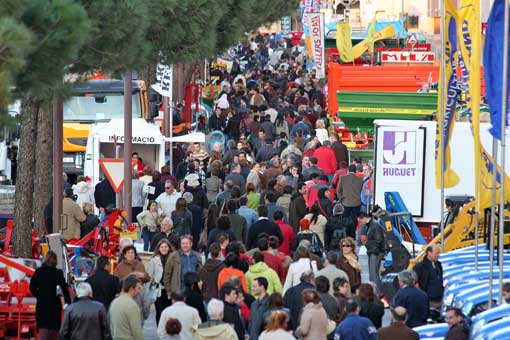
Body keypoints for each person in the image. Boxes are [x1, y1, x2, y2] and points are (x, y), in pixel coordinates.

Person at [29, 250, 71, 340]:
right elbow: (65, 290)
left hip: (42, 308)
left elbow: (32, 287)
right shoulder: (58, 273)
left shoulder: (39, 272)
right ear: (55, 261)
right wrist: (67, 303)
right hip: (55, 309)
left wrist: (39, 295)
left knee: (43, 334)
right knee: (54, 334)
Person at [113, 245, 151, 322]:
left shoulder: (140, 264)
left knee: (139, 314)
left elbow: (147, 278)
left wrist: (143, 275)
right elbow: (116, 281)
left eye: (132, 252)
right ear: (125, 255)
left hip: (139, 293)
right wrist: (129, 276)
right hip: (126, 293)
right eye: (128, 253)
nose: (131, 254)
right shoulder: (120, 266)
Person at [109, 275, 144, 340]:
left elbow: (111, 324)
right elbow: (136, 330)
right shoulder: (132, 305)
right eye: (138, 288)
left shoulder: (114, 302)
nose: (139, 291)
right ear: (131, 289)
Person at [147, 239, 173, 325]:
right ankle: (160, 330)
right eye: (162, 247)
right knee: (159, 311)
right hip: (159, 290)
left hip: (170, 290)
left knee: (169, 312)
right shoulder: (154, 260)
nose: (164, 248)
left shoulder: (173, 259)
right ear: (159, 248)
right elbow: (150, 275)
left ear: (169, 248)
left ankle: (168, 330)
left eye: (166, 247)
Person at [359, 212, 385, 294]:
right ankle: (378, 292)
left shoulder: (375, 225)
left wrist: (373, 250)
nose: (360, 223)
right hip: (373, 252)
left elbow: (378, 239)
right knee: (373, 274)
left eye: (360, 221)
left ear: (363, 218)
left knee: (374, 274)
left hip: (375, 252)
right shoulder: (371, 225)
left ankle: (377, 293)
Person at [414, 244, 444, 309]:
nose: (439, 255)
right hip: (427, 301)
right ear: (429, 253)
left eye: (439, 253)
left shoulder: (438, 265)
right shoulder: (420, 267)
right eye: (436, 253)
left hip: (439, 299)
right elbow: (415, 283)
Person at [337, 165, 362, 234]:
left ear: (348, 170)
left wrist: (341, 199)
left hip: (346, 202)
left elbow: (338, 191)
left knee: (345, 220)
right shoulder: (360, 179)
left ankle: (346, 233)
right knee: (355, 220)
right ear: (355, 171)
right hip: (357, 203)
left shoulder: (343, 178)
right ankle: (353, 234)